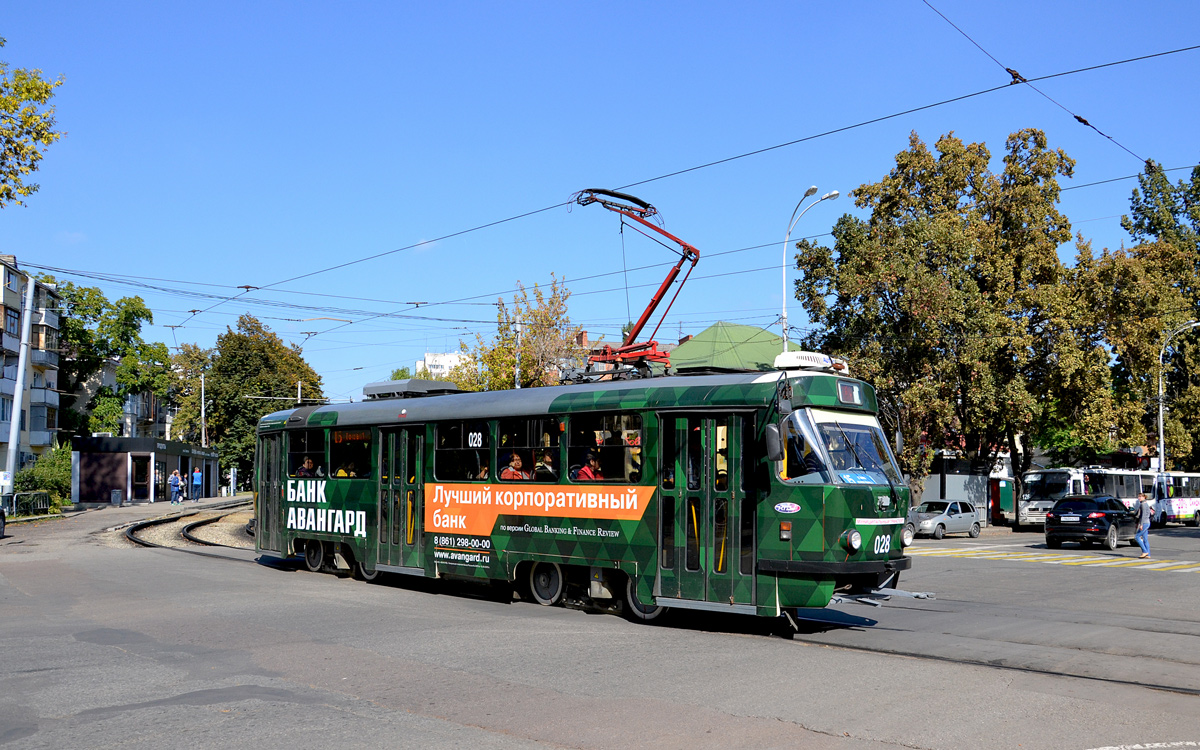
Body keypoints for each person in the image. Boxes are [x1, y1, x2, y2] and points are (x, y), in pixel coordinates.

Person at [1135, 492, 1153, 558]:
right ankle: (1148, 554)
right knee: (1145, 539)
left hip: (1145, 523)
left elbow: (1143, 516)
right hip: (1146, 522)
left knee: (1137, 537)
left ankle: (1144, 551)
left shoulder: (1143, 504)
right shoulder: (1144, 503)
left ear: (1144, 497)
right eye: (1138, 496)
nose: (1138, 498)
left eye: (1140, 496)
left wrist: (1141, 524)